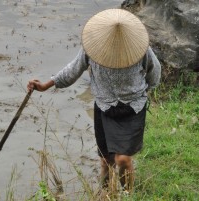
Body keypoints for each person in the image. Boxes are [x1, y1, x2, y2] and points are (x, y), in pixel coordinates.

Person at [27, 8, 161, 192]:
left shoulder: (139, 49)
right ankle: (105, 192)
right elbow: (72, 71)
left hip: (133, 108)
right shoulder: (93, 50)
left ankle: (129, 194)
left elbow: (155, 72)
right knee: (106, 161)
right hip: (104, 107)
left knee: (123, 158)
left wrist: (147, 92)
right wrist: (45, 85)